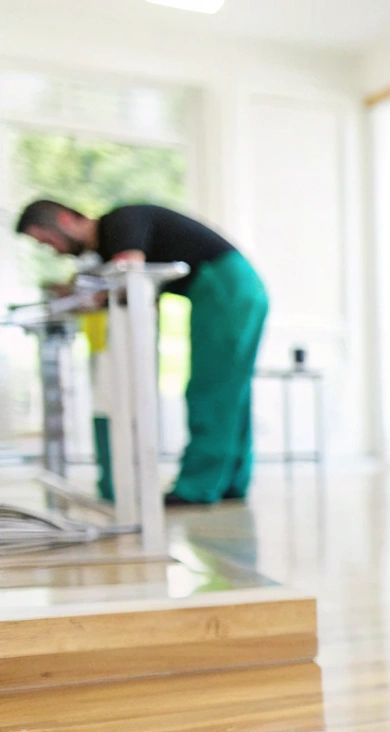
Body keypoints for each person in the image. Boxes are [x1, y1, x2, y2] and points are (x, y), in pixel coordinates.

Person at [15, 199, 267, 505]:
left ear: (66, 219)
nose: (52, 249)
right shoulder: (110, 240)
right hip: (235, 285)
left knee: (211, 389)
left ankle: (198, 487)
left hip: (224, 288)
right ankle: (230, 481)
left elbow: (129, 278)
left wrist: (83, 295)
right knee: (230, 390)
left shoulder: (119, 223)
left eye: (47, 239)